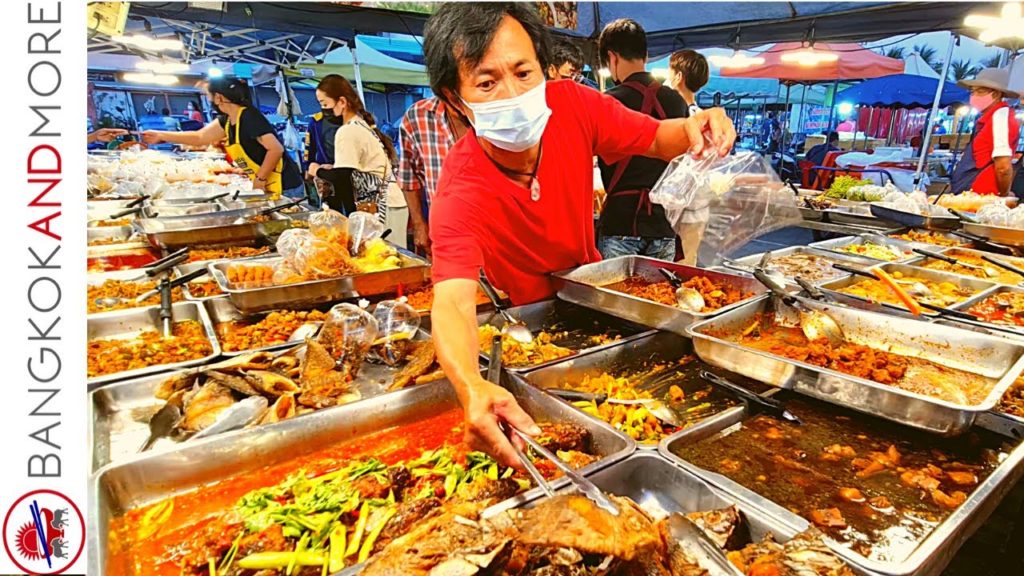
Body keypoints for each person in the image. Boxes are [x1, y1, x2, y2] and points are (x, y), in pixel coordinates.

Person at [423, 3, 736, 466]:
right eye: (486, 83)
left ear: (543, 69)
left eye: (524, 72)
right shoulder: (460, 186)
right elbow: (451, 299)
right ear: (454, 98)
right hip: (527, 333)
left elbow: (653, 137)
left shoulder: (571, 104)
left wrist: (694, 126)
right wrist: (471, 385)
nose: (513, 93)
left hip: (592, 304)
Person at [594, 18, 688, 262]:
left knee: (611, 299)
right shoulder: (677, 101)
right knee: (660, 298)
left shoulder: (607, 102)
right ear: (645, 54)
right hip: (663, 222)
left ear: (612, 58)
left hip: (621, 222)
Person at [142, 77, 305, 199]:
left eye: (208, 95)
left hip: (284, 183)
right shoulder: (226, 120)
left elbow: (275, 149)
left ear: (219, 97)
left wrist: (260, 178)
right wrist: (162, 135)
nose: (208, 99)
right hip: (264, 182)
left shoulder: (249, 116)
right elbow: (200, 137)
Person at [307, 74, 408, 246]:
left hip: (383, 206)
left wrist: (315, 169)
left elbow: (341, 177)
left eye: (325, 104)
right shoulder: (359, 125)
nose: (323, 110)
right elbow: (353, 170)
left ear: (342, 102)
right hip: (385, 204)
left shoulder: (347, 131)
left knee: (386, 261)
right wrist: (332, 168)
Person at [398, 96, 468, 256]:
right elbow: (409, 176)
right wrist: (418, 224)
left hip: (501, 234)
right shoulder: (418, 115)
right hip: (446, 234)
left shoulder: (499, 109)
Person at [952, 67, 1021, 196]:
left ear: (996, 94)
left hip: (982, 196)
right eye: (972, 92)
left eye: (980, 91)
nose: (974, 96)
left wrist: (1004, 195)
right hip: (970, 193)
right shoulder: (988, 119)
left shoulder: (1001, 117)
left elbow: (1003, 167)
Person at [668, 49, 709, 117]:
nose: (668, 78)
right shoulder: (703, 116)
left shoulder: (671, 116)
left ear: (678, 76)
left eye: (669, 73)